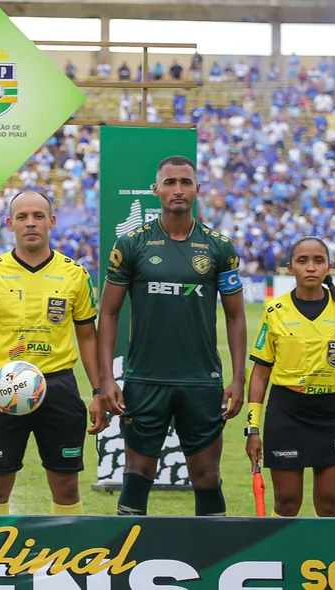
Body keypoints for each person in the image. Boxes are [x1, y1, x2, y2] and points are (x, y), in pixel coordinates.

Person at [98, 155, 247, 517]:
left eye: (185, 182)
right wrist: (106, 379)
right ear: (156, 190)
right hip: (145, 378)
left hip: (201, 380)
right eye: (170, 182)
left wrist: (238, 378)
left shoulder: (219, 247)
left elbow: (236, 315)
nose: (178, 189)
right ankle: (126, 563)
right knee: (137, 474)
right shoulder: (131, 244)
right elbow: (109, 312)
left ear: (197, 189)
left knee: (207, 475)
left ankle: (213, 565)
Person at [0, 190, 106, 516]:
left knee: (67, 486)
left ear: (51, 222)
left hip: (59, 388)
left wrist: (98, 392)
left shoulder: (75, 274)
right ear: (10, 224)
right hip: (4, 387)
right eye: (23, 217)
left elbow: (88, 338)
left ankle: (68, 561)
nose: (31, 223)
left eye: (38, 216)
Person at [245, 237, 335, 518]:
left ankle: (327, 562)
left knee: (328, 503)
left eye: (318, 261)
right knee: (287, 503)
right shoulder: (275, 311)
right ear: (290, 268)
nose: (311, 267)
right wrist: (253, 429)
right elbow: (260, 372)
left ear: (328, 267)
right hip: (287, 413)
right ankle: (284, 559)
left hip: (332, 414)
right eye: (302, 261)